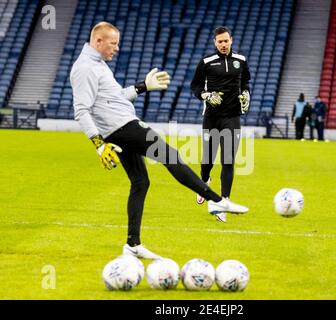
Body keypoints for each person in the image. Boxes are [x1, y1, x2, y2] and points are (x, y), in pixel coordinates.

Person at [70, 22, 248, 260]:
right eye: (113, 43)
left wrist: (144, 86)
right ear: (98, 42)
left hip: (119, 128)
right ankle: (217, 201)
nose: (117, 48)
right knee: (170, 156)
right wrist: (99, 144)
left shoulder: (97, 65)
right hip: (123, 128)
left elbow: (116, 97)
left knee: (140, 182)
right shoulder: (85, 69)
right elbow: (81, 110)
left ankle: (133, 244)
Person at [190, 26, 251, 221]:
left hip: (232, 116)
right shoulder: (206, 62)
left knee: (228, 160)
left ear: (231, 40)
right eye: (220, 42)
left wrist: (247, 94)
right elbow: (195, 86)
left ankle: (223, 202)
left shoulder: (241, 61)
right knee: (208, 159)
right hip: (212, 117)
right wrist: (205, 95)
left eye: (226, 41)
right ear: (215, 43)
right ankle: (205, 181)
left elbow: (246, 83)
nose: (223, 44)